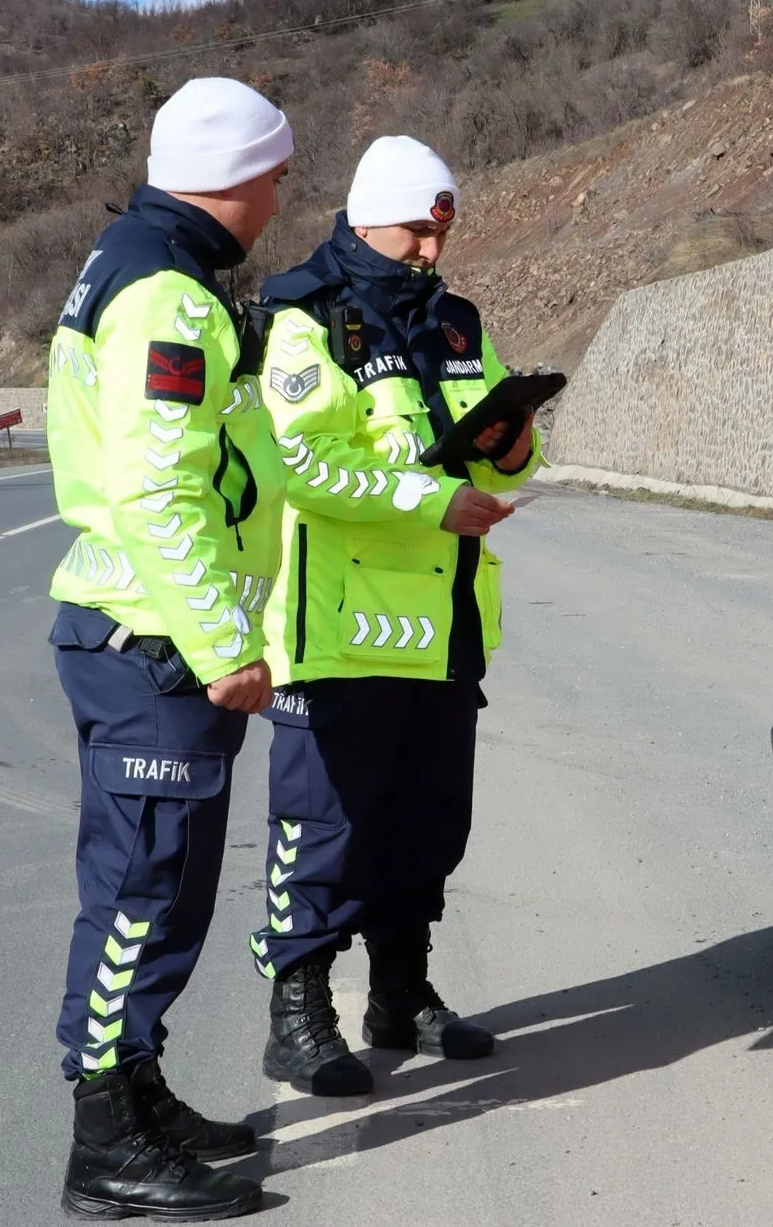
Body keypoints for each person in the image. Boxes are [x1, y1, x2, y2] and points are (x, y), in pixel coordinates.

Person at [246, 135, 540, 1097]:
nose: (430, 249)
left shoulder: (459, 321)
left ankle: (400, 997)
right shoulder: (307, 317)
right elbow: (305, 464)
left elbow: (507, 459)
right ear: (369, 212)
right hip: (342, 631)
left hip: (444, 627)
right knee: (327, 829)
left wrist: (512, 441)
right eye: (417, 228)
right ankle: (299, 1017)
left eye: (442, 230)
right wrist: (429, 502)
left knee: (425, 826)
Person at [45, 77, 293, 1220]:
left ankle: (136, 1090)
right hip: (153, 638)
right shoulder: (167, 293)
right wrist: (221, 642)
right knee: (142, 891)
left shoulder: (143, 266)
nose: (279, 198)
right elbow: (157, 492)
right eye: (275, 177)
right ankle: (104, 1139)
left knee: (163, 892)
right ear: (238, 177)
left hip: (142, 635)